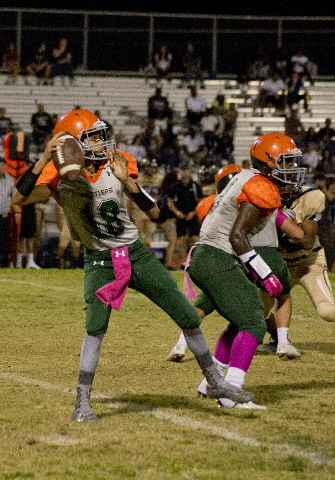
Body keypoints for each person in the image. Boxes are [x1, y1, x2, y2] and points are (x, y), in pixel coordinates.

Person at [12, 109, 253, 422]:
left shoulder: (118, 163)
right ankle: (82, 402)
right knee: (95, 330)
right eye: (93, 137)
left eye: (100, 134)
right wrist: (44, 159)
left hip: (136, 254)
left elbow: (153, 215)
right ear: (71, 145)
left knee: (185, 314)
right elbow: (18, 199)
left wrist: (128, 183)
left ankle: (216, 383)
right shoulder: (58, 179)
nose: (101, 141)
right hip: (99, 261)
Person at [169, 134, 307, 406]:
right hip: (217, 258)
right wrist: (265, 274)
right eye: (286, 163)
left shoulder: (247, 177)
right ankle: (232, 393)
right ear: (268, 166)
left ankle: (212, 383)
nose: (291, 170)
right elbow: (238, 237)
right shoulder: (260, 187)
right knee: (254, 323)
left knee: (240, 319)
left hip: (210, 257)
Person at [257, 168, 335, 355]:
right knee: (256, 309)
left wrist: (282, 230)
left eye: (290, 180)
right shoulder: (261, 200)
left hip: (308, 265)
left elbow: (307, 242)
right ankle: (277, 339)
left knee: (328, 312)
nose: (288, 186)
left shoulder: (310, 197)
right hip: (280, 265)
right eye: (282, 182)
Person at [167, 162, 203, 266]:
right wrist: (177, 212)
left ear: (190, 171)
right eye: (182, 170)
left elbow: (200, 201)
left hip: (192, 216)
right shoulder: (175, 186)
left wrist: (194, 212)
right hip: (181, 216)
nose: (184, 172)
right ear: (179, 171)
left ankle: (198, 262)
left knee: (196, 239)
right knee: (181, 240)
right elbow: (170, 201)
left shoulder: (195, 186)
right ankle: (184, 263)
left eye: (186, 170)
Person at [128, 158, 163, 251]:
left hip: (151, 210)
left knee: (148, 238)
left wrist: (157, 202)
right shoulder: (138, 178)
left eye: (153, 167)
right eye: (150, 167)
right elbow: (131, 195)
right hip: (138, 210)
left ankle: (145, 260)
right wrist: (130, 212)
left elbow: (162, 191)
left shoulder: (159, 179)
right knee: (137, 237)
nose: (152, 169)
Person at [313, 172, 335, 272]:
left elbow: (332, 200)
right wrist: (316, 187)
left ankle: (329, 268)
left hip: (326, 224)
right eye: (318, 180)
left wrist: (324, 189)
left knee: (329, 247)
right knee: (314, 246)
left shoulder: (327, 192)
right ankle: (316, 267)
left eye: (321, 180)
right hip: (315, 224)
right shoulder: (313, 191)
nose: (320, 182)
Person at [0, 158, 19, 268]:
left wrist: (17, 211)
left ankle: (4, 264)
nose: (1, 168)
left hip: (4, 216)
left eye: (3, 166)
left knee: (5, 241)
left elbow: (14, 198)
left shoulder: (9, 180)